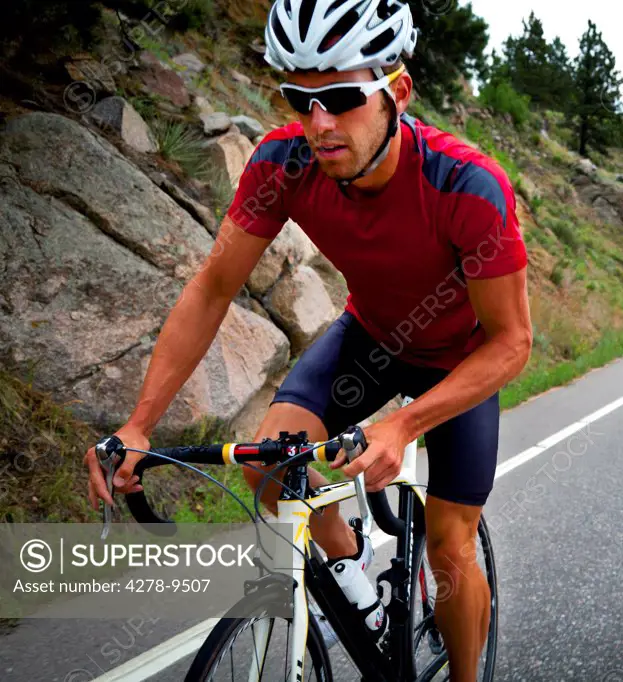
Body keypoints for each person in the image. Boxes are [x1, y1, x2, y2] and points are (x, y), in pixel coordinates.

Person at [83, 0, 532, 678]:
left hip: (462, 360)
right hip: (372, 339)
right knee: (270, 460)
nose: (319, 124)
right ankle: (359, 588)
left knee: (448, 549)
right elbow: (212, 288)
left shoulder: (466, 186)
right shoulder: (283, 163)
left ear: (397, 92)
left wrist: (402, 427)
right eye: (300, 99)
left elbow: (512, 343)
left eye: (343, 98)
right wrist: (141, 422)